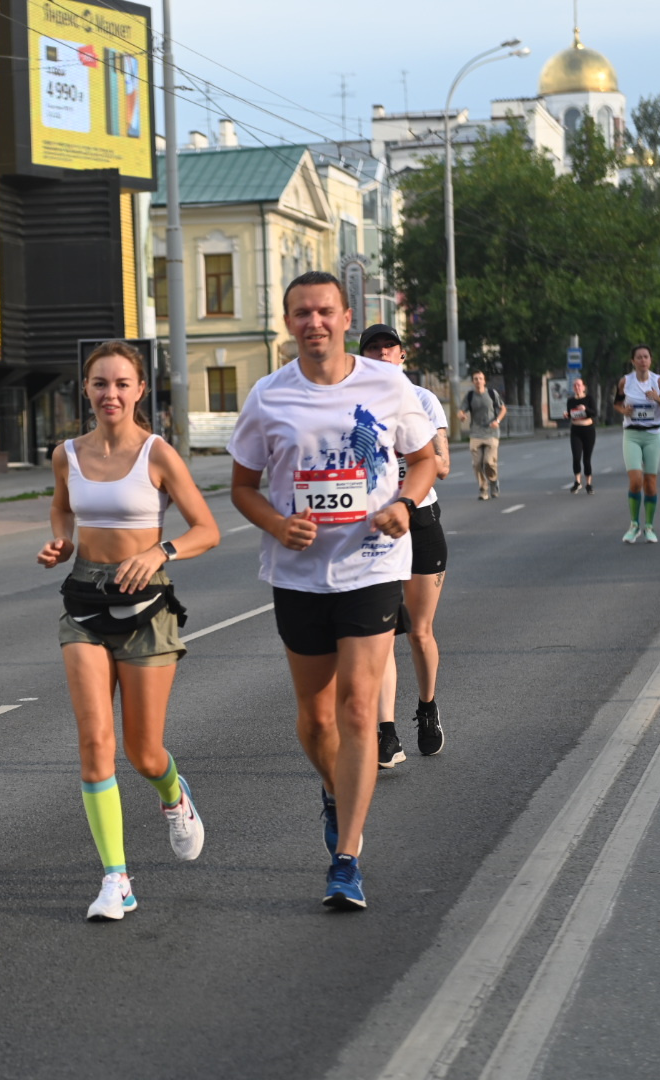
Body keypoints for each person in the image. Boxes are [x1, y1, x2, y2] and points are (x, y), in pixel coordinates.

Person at [227, 272, 437, 910]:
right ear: (288, 323)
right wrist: (276, 523)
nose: (313, 323)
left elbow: (424, 458)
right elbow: (242, 487)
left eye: (324, 311)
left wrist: (404, 501)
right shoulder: (268, 396)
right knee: (316, 719)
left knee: (357, 711)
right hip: (297, 576)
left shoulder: (388, 384)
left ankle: (347, 857)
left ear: (346, 317)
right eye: (300, 314)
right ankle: (332, 788)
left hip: (371, 564)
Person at [38, 340, 220, 922]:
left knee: (143, 753)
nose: (110, 393)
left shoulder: (158, 454)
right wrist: (61, 541)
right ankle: (116, 879)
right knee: (96, 744)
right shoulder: (66, 453)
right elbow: (62, 509)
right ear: (85, 390)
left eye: (121, 383)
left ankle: (173, 794)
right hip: (85, 600)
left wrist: (163, 550)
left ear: (140, 390)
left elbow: (207, 529)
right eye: (99, 383)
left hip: (147, 607)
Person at [360, 323, 450, 765]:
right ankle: (387, 734)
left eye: (388, 348)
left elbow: (443, 464)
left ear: (401, 356)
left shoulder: (423, 400)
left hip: (419, 521)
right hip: (374, 526)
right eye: (372, 349)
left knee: (418, 632)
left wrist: (412, 455)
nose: (381, 354)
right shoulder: (351, 402)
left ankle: (427, 707)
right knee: (380, 635)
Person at [612, 345, 660, 544]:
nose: (642, 360)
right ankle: (634, 524)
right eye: (639, 357)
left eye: (646, 357)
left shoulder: (658, 381)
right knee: (636, 480)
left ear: (650, 360)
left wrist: (657, 399)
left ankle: (649, 527)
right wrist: (624, 411)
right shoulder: (625, 381)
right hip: (632, 435)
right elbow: (616, 403)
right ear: (633, 361)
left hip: (652, 435)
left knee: (651, 484)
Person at [458, 371, 506, 500]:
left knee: (489, 462)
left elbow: (503, 409)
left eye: (480, 378)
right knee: (477, 463)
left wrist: (498, 421)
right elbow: (461, 410)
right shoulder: (470, 396)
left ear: (484, 381)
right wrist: (462, 415)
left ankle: (494, 481)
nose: (478, 381)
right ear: (473, 382)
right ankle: (483, 488)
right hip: (475, 433)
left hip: (491, 433)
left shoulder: (491, 394)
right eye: (475, 379)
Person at [564, 377, 597, 493]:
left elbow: (594, 413)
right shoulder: (571, 400)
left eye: (579, 385)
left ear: (584, 387)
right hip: (575, 430)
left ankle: (588, 484)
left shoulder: (589, 398)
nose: (577, 387)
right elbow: (570, 414)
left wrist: (585, 408)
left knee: (586, 459)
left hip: (588, 430)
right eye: (575, 386)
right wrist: (566, 415)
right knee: (576, 457)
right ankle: (577, 482)